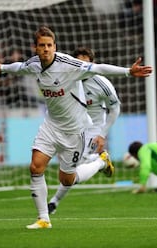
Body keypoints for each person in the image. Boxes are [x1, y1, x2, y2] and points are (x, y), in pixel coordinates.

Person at [0, 26, 153, 229]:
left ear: (55, 46)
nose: (46, 49)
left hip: (75, 130)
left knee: (67, 179)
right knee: (35, 167)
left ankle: (101, 162)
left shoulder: (68, 64)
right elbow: (20, 67)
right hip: (51, 125)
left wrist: (128, 72)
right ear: (36, 48)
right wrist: (2, 68)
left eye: (49, 45)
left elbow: (99, 68)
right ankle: (43, 218)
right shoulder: (34, 64)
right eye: (42, 45)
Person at [47, 47, 121, 214]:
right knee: (68, 168)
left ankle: (101, 161)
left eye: (86, 63)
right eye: (78, 63)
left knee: (74, 169)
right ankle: (54, 202)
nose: (82, 67)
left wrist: (102, 134)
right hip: (72, 126)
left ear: (92, 64)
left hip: (93, 129)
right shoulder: (67, 79)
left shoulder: (102, 84)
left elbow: (115, 109)